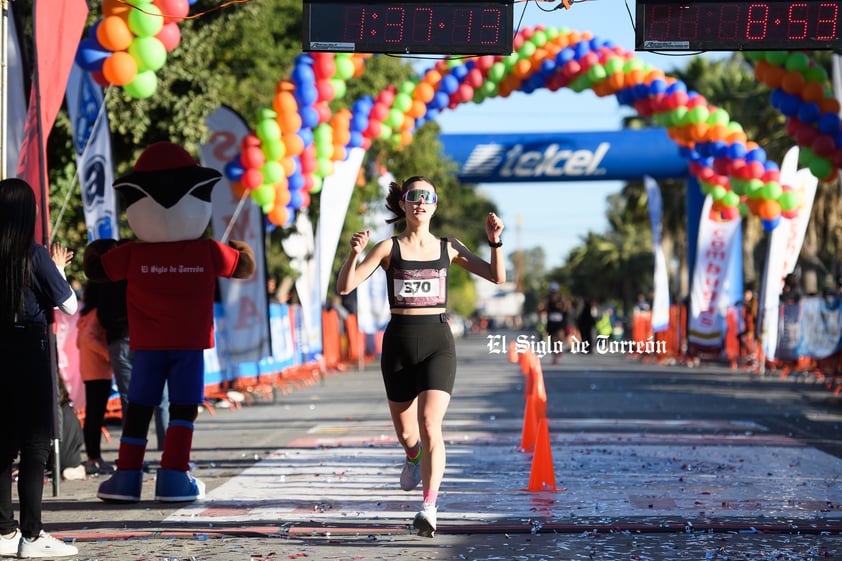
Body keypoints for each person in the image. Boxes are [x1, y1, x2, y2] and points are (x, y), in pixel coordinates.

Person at [337, 175, 505, 538]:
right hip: (398, 344)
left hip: (437, 343)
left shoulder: (449, 247)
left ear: (435, 205)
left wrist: (495, 243)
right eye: (414, 196)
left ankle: (429, 507)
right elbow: (345, 286)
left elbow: (496, 276)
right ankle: (412, 456)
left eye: (429, 196)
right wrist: (353, 254)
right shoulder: (387, 248)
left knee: (431, 424)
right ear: (404, 205)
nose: (421, 201)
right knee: (407, 432)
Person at [0, 178, 80, 558]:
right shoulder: (34, 255)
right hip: (29, 350)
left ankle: (3, 531)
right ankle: (32, 536)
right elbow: (69, 305)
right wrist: (58, 269)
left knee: (1, 446)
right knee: (34, 447)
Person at [94, 247, 170, 453]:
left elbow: (103, 316)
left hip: (121, 342)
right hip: (148, 341)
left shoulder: (108, 282)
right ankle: (166, 449)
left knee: (130, 398)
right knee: (161, 397)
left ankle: (132, 450)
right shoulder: (146, 277)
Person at [76, 281, 115, 475]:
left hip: (90, 369)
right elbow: (87, 340)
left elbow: (79, 341)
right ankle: (94, 457)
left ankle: (93, 456)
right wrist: (109, 354)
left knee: (94, 414)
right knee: (95, 416)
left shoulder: (85, 315)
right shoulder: (96, 314)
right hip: (99, 370)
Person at [538, 282, 564, 364]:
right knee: (552, 340)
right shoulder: (547, 300)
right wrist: (542, 309)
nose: (554, 293)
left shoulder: (561, 299)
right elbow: (541, 309)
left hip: (559, 321)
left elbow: (566, 308)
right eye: (552, 291)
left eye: (555, 291)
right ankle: (554, 357)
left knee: (560, 336)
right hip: (551, 322)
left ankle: (559, 348)